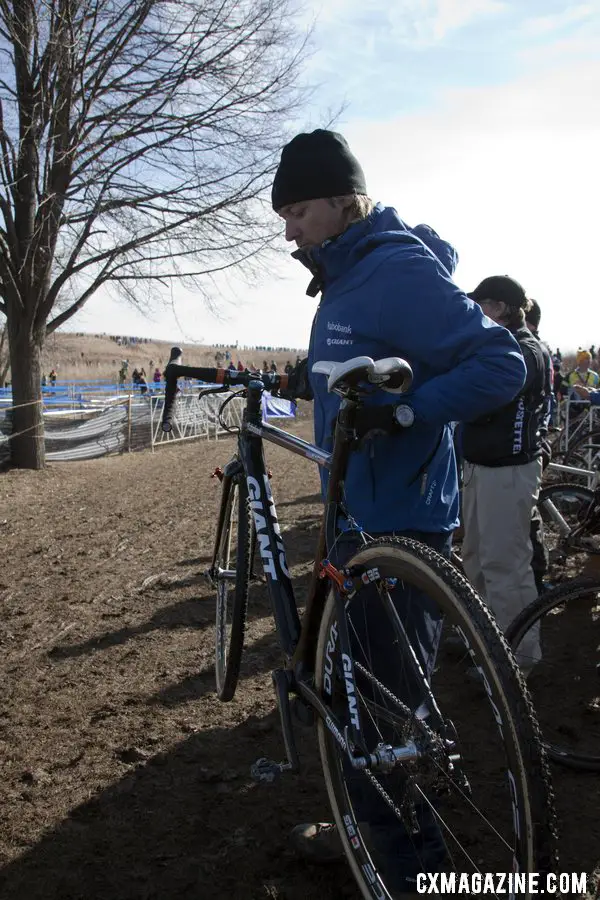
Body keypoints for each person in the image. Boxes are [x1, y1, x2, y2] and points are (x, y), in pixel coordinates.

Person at [272, 128, 526, 896]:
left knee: (386, 717)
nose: (288, 228)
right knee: (362, 694)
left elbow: (501, 364)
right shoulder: (347, 275)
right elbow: (364, 366)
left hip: (399, 525)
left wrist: (409, 416)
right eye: (281, 213)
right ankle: (365, 828)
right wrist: (312, 382)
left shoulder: (394, 271)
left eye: (299, 209)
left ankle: (410, 870)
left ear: (344, 201)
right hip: (361, 509)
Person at [460, 276, 546, 673]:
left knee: (505, 568)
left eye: (481, 305)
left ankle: (518, 663)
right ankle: (490, 649)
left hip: (507, 473)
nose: (475, 313)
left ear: (500, 307)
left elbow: (485, 396)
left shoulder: (523, 349)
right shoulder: (504, 344)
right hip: (485, 469)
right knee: (477, 562)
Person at [525, 299, 553, 594]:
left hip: (529, 442)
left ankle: (538, 579)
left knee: (526, 520)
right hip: (537, 438)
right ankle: (538, 577)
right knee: (529, 517)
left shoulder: (531, 348)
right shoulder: (539, 346)